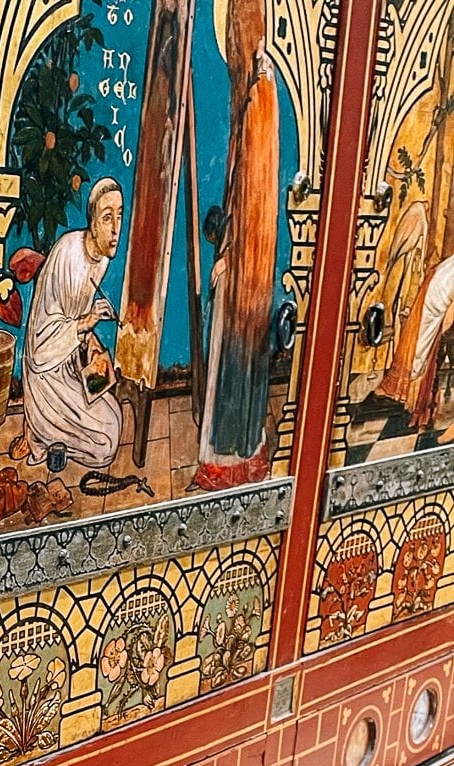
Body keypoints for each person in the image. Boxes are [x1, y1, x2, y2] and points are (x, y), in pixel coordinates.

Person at [192, 0, 279, 489]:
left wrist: (226, 256)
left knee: (232, 350)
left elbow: (253, 194)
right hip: (245, 254)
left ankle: (225, 463)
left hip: (245, 261)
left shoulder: (257, 96)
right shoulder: (252, 89)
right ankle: (240, 453)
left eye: (231, 38)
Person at [20, 180, 125, 470]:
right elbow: (41, 343)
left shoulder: (101, 259)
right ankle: (40, 432)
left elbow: (77, 319)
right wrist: (87, 322)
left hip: (69, 363)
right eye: (107, 218)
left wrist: (92, 344)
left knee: (114, 418)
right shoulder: (68, 252)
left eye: (119, 215)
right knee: (105, 444)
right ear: (92, 221)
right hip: (46, 372)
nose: (116, 228)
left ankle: (52, 433)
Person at [379, 250, 454, 430]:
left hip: (436, 317)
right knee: (423, 357)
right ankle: (422, 410)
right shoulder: (446, 271)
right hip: (434, 318)